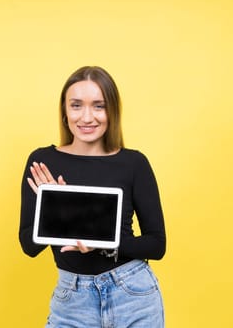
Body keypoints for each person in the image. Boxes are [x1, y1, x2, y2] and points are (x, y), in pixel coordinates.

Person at [19, 66, 166, 327]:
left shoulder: (133, 163)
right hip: (72, 300)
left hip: (132, 293)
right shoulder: (43, 161)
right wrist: (57, 207)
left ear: (112, 112)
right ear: (65, 112)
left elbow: (156, 245)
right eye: (76, 106)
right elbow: (29, 246)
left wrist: (101, 241)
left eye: (99, 106)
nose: (87, 117)